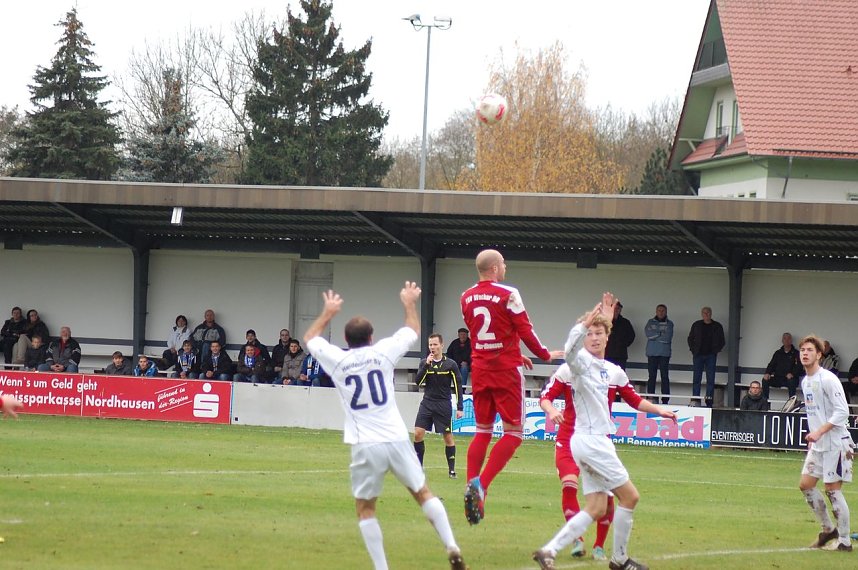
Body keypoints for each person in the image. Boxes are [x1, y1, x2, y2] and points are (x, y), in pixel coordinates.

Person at [303, 282, 468, 570]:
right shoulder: (383, 352)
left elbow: (310, 338)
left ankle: (382, 568)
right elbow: (412, 330)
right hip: (394, 437)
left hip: (365, 443)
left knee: (365, 507)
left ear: (345, 338)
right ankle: (451, 545)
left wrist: (328, 312)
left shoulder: (339, 361)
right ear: (371, 337)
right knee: (423, 493)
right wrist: (408, 303)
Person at [533, 292, 677, 570]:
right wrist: (585, 323)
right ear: (584, 337)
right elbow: (570, 347)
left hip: (595, 442)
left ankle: (548, 550)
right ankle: (620, 560)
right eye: (590, 333)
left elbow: (634, 400)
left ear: (607, 337)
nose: (595, 337)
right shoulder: (578, 364)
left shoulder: (613, 370)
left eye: (599, 333)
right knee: (630, 496)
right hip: (590, 442)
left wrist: (660, 410)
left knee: (598, 507)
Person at [460, 249, 563, 525]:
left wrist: (515, 353)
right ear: (494, 268)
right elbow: (525, 330)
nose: (505, 267)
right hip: (505, 372)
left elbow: (482, 333)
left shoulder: (466, 297)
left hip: (480, 369)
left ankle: (471, 484)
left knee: (482, 430)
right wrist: (544, 355)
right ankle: (481, 485)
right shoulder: (509, 294)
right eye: (502, 263)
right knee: (514, 433)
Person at [796, 335, 854, 552]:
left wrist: (819, 432)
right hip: (818, 444)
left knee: (832, 490)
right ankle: (828, 529)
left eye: (809, 350)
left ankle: (845, 541)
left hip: (836, 443)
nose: (805, 353)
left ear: (819, 355)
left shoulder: (828, 379)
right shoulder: (805, 381)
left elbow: (843, 411)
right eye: (802, 349)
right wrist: (815, 436)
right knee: (805, 485)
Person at [413, 333, 465, 479]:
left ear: (441, 345)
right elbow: (418, 381)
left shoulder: (450, 364)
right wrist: (426, 366)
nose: (432, 347)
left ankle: (452, 470)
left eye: (435, 344)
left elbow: (458, 385)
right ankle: (418, 468)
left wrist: (460, 407)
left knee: (447, 437)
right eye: (430, 345)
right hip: (427, 402)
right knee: (418, 433)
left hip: (443, 404)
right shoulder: (425, 362)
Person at [687, 306, 726, 408]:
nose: (706, 314)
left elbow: (722, 340)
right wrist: (693, 350)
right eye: (704, 313)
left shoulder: (717, 326)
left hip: (710, 355)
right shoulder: (696, 325)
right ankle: (695, 399)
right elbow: (690, 338)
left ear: (711, 313)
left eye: (708, 313)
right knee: (696, 378)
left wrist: (715, 351)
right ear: (701, 314)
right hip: (698, 355)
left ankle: (709, 401)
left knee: (710, 379)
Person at [644, 304, 673, 404]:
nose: (661, 312)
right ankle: (651, 398)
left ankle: (665, 400)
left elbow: (667, 338)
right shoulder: (650, 322)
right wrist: (660, 333)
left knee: (664, 376)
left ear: (666, 312)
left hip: (664, 354)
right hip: (652, 353)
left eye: (663, 311)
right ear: (656, 312)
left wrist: (655, 334)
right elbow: (648, 335)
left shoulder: (670, 324)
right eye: (659, 310)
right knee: (652, 376)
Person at [762, 332, 801, 401]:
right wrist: (767, 373)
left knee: (791, 381)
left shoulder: (796, 353)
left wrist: (792, 374)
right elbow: (771, 365)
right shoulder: (778, 353)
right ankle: (765, 402)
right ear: (782, 340)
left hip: (790, 379)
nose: (786, 340)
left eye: (788, 338)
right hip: (778, 378)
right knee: (765, 380)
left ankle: (792, 403)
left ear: (791, 340)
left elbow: (799, 367)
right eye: (785, 338)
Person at [604, 301, 635, 371]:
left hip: (621, 354)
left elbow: (631, 335)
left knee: (620, 375)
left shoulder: (625, 322)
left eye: (618, 309)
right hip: (607, 353)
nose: (616, 310)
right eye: (614, 308)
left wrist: (623, 344)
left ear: (620, 310)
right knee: (607, 375)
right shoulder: (605, 322)